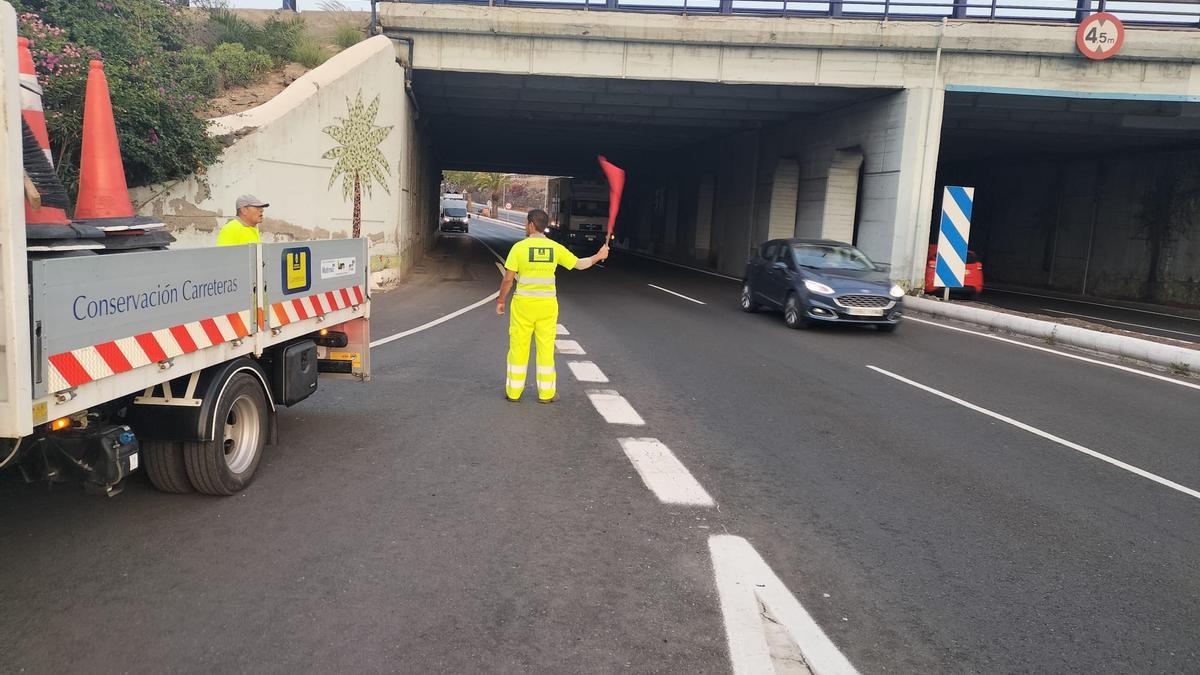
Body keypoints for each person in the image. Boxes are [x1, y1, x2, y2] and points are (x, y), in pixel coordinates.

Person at [497, 209, 608, 403]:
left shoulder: (519, 248)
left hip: (523, 305)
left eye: (526, 223)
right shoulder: (555, 248)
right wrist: (599, 255)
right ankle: (546, 394)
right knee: (546, 349)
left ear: (531, 224)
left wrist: (500, 300)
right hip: (547, 306)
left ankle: (513, 393)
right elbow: (579, 264)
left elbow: (508, 279)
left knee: (518, 348)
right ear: (545, 225)